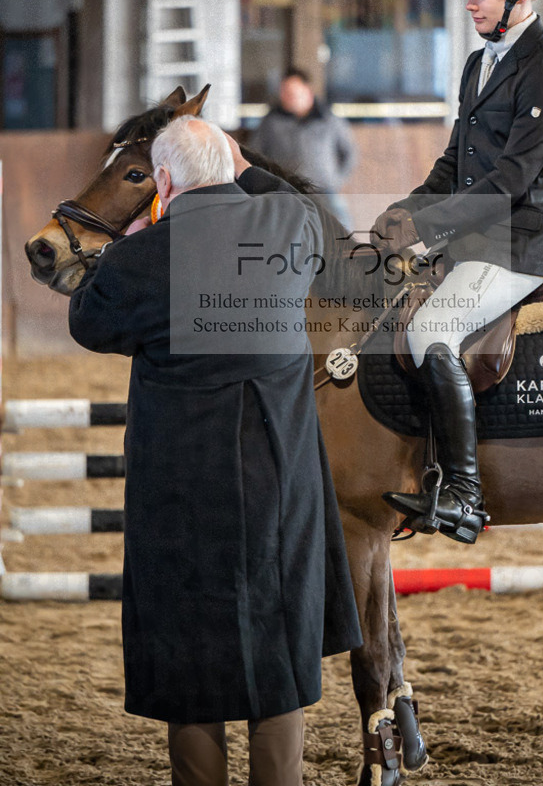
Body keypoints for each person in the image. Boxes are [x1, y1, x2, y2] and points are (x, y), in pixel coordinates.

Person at [69, 115, 362, 786]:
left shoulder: (135, 260)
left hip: (178, 486)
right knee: (279, 648)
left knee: (185, 654)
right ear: (232, 166)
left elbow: (88, 324)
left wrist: (135, 242)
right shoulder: (292, 224)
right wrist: (236, 163)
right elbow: (285, 197)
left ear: (162, 182)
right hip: (279, 479)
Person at [371, 0, 543, 546]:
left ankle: (463, 493)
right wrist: (404, 209)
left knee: (431, 327)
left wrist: (426, 228)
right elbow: (456, 160)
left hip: (521, 241)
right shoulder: (479, 62)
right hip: (476, 236)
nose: (470, 3)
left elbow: (512, 178)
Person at [249, 67, 357, 229]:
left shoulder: (328, 118)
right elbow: (254, 154)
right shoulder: (271, 122)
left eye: (292, 92)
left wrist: (336, 180)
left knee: (342, 230)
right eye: (284, 92)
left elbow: (349, 153)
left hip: (325, 191)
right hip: (287, 193)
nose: (287, 97)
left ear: (307, 91)